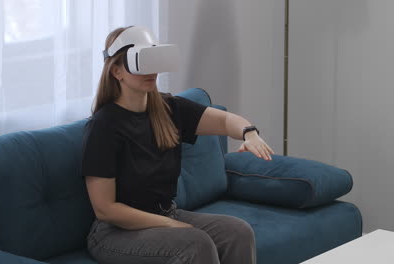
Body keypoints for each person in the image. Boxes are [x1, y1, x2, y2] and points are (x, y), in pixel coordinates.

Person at [81, 26, 274, 264]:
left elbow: (224, 121)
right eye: (140, 62)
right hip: (115, 232)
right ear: (117, 71)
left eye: (153, 59)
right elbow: (106, 209)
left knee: (238, 233)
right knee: (195, 243)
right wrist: (171, 224)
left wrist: (249, 133)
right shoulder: (104, 126)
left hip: (165, 213)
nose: (150, 71)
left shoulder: (168, 108)